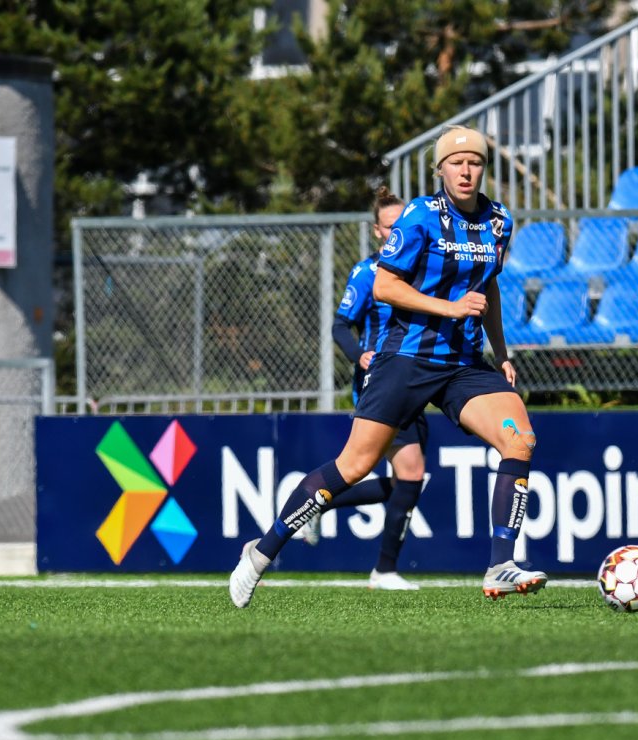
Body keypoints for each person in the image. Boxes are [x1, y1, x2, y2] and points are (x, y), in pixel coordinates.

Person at [230, 125, 543, 607]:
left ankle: (501, 564)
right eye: (456, 163)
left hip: (463, 364)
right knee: (354, 466)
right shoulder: (421, 215)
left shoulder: (499, 220)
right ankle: (261, 552)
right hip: (406, 359)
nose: (466, 170)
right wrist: (450, 309)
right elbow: (385, 286)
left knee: (519, 439)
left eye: (475, 162)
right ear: (440, 170)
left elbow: (489, 288)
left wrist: (501, 353)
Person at [305, 187, 426, 591]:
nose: (396, 233)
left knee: (407, 480)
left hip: (416, 382)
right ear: (377, 231)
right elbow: (341, 325)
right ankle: (384, 570)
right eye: (389, 227)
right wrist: (359, 355)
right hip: (381, 384)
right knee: (410, 473)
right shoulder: (367, 273)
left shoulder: (424, 269)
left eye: (402, 225)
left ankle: (317, 501)